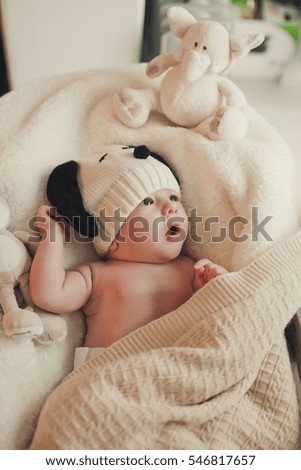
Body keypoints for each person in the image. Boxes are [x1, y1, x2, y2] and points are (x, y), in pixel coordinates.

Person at [29, 146, 227, 367]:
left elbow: (219, 314)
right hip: (112, 373)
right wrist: (52, 238)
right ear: (113, 236)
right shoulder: (96, 276)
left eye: (173, 196)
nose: (170, 207)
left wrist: (216, 285)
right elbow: (49, 295)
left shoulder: (192, 270)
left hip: (179, 367)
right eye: (148, 202)